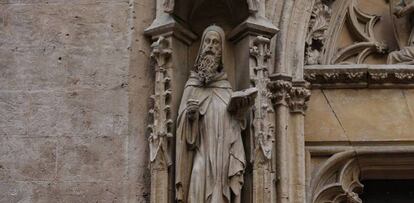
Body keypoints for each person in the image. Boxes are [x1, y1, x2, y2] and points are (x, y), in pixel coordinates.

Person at [175, 25, 253, 203]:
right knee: (195, 186)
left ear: (222, 51)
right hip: (201, 154)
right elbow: (181, 133)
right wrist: (191, 116)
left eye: (216, 43)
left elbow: (234, 129)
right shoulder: (192, 86)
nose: (211, 46)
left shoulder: (225, 88)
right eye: (207, 42)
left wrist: (239, 114)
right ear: (201, 47)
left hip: (223, 159)